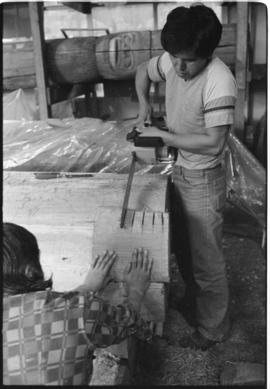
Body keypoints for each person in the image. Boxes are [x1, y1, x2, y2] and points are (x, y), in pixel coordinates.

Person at [133, 4, 237, 350]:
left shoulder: (219, 80)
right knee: (183, 249)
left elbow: (213, 142)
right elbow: (142, 72)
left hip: (204, 178)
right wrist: (144, 107)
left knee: (207, 260)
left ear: (207, 54)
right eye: (174, 58)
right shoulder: (173, 61)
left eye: (188, 61)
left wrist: (163, 137)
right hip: (178, 169)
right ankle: (194, 305)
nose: (178, 67)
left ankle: (213, 330)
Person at [3, 222, 153, 385]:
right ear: (30, 270)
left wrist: (86, 288)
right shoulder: (78, 309)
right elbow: (127, 323)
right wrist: (136, 291)